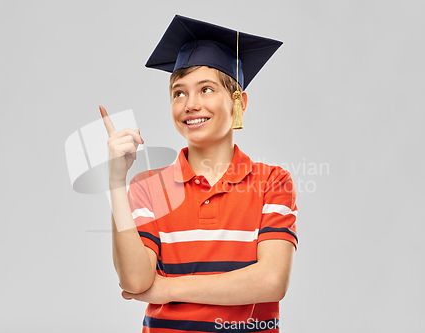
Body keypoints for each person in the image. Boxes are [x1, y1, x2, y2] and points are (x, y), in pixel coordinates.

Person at [101, 15, 298, 333]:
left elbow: (271, 281)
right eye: (178, 93)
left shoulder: (272, 182)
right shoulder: (150, 187)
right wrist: (115, 182)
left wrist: (167, 289)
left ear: (239, 102)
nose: (190, 104)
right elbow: (135, 280)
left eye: (206, 89)